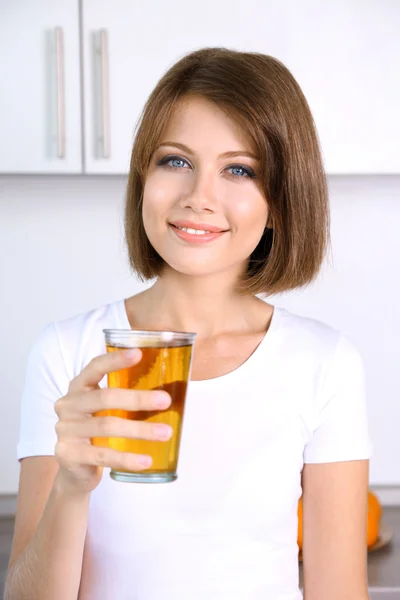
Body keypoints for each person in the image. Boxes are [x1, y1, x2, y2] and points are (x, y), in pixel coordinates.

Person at [5, 47, 372, 600]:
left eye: (239, 170)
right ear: (143, 177)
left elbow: (339, 591)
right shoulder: (67, 352)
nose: (199, 197)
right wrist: (71, 488)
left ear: (282, 197)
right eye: (175, 160)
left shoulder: (325, 364)